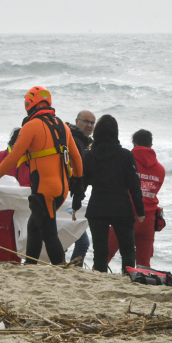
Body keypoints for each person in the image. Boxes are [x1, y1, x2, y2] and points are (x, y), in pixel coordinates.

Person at [0, 86, 83, 265]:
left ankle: (61, 267)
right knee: (34, 226)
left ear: (29, 104)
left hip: (45, 190)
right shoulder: (62, 126)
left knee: (49, 233)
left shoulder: (31, 126)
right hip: (62, 189)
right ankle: (30, 265)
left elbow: (13, 157)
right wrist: (79, 185)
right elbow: (76, 158)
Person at [79, 115, 145, 273]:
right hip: (121, 207)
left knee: (100, 252)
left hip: (98, 207)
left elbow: (82, 182)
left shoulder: (90, 155)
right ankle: (128, 278)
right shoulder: (125, 155)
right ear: (115, 132)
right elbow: (134, 185)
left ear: (98, 132)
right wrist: (140, 210)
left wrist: (75, 203)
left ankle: (100, 279)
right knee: (128, 250)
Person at [106, 129, 165, 268]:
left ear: (134, 143)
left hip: (125, 215)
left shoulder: (125, 161)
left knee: (105, 254)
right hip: (149, 219)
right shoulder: (160, 169)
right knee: (143, 263)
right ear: (151, 145)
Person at [0, 128, 31, 263]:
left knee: (17, 252)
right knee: (4, 249)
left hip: (21, 215)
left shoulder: (30, 161)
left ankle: (12, 279)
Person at [66, 110, 96, 264]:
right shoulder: (75, 141)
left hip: (69, 195)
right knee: (81, 241)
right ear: (77, 121)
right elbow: (78, 172)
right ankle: (66, 269)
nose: (89, 125)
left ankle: (60, 267)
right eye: (86, 121)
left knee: (64, 235)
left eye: (92, 123)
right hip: (67, 196)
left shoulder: (80, 140)